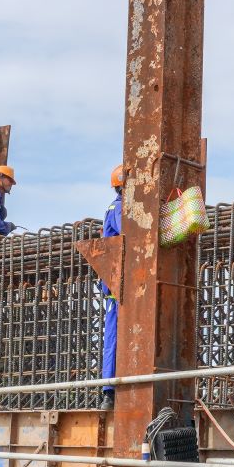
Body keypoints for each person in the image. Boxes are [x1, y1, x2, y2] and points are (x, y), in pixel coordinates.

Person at [100, 165, 123, 411]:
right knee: (114, 337)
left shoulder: (118, 206)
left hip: (118, 282)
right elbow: (131, 230)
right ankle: (108, 391)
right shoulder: (119, 207)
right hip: (117, 286)